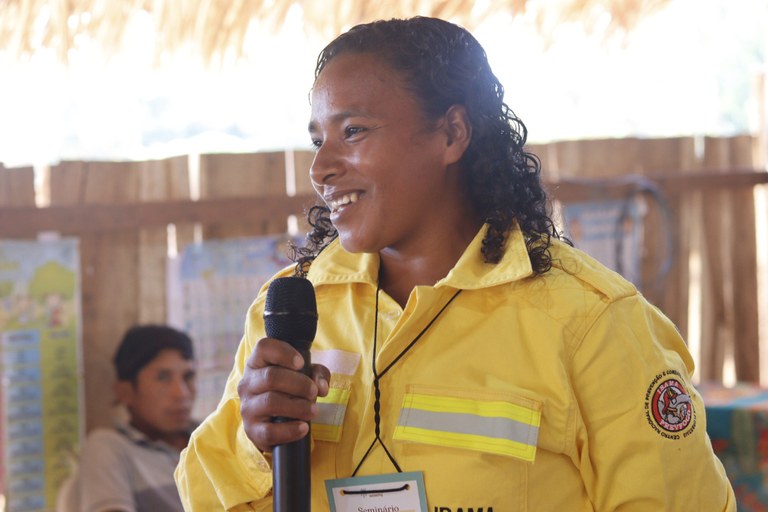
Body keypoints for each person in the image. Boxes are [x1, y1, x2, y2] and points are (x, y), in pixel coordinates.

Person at [175, 16, 735, 511]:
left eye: (353, 131)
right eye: (318, 139)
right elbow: (201, 495)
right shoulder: (293, 311)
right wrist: (251, 443)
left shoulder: (591, 323)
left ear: (451, 133)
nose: (321, 166)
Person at [62, 325, 197, 512]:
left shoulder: (218, 439)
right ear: (125, 392)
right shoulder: (110, 448)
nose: (181, 393)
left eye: (188, 376)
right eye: (163, 377)